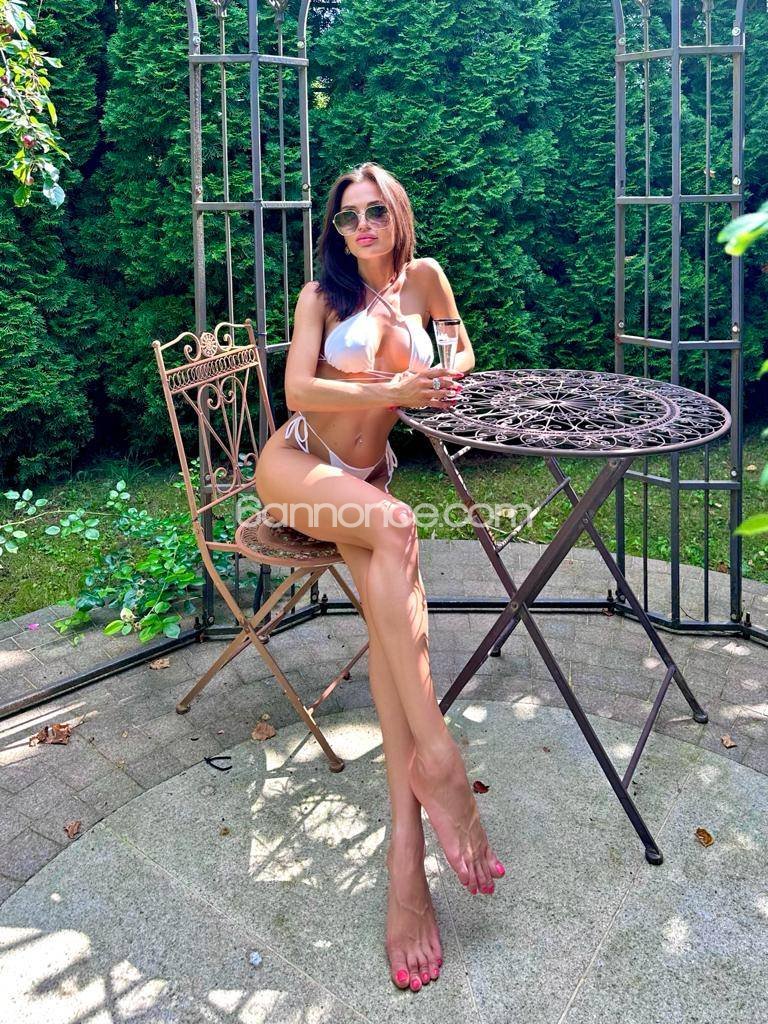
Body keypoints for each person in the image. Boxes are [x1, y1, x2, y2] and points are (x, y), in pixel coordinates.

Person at [254, 162, 505, 994]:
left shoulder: (426, 279)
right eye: (346, 215)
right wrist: (392, 383)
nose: (359, 225)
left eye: (373, 212)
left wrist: (447, 371)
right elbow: (296, 388)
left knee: (402, 639)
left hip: (369, 485)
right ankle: (441, 759)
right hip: (300, 469)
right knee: (399, 531)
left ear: (397, 216)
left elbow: (460, 344)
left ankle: (408, 863)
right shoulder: (321, 296)